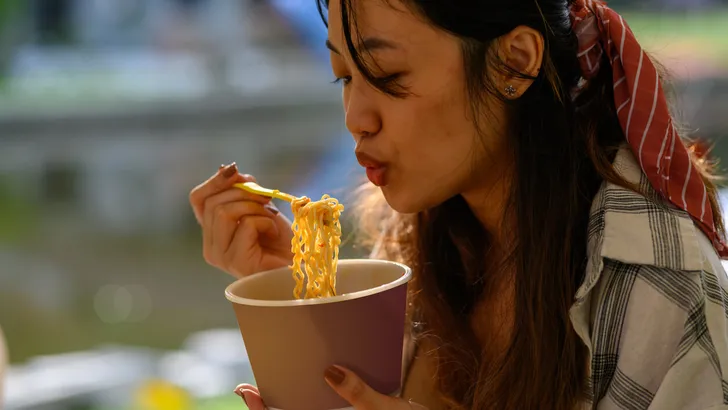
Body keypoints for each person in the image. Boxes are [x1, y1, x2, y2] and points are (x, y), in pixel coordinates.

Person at [189, 0, 728, 408]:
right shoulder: (407, 236)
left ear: (513, 63)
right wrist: (306, 300)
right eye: (345, 77)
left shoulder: (658, 280)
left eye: (388, 76)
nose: (355, 117)